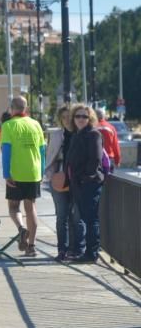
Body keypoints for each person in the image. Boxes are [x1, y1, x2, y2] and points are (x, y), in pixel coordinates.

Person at [0, 96, 46, 258]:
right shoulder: (36, 125)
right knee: (31, 208)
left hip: (16, 172)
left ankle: (21, 228)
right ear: (25, 108)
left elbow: (6, 151)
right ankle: (32, 246)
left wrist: (6, 174)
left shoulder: (8, 125)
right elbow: (42, 151)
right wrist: (41, 171)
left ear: (12, 108)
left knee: (13, 207)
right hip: (33, 172)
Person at [65, 104, 106, 263]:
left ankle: (92, 253)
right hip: (78, 183)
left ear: (90, 119)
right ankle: (87, 252)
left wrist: (84, 178)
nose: (81, 119)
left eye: (84, 116)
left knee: (91, 218)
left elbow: (95, 159)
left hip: (90, 183)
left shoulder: (93, 134)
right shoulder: (77, 134)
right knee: (84, 217)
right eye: (78, 116)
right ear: (73, 118)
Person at [43, 105, 81, 262]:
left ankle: (75, 249)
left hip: (76, 181)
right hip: (58, 179)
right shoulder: (57, 135)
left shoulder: (80, 134)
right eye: (63, 117)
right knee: (61, 215)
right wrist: (50, 175)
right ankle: (62, 250)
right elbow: (49, 156)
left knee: (76, 216)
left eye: (69, 117)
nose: (66, 120)